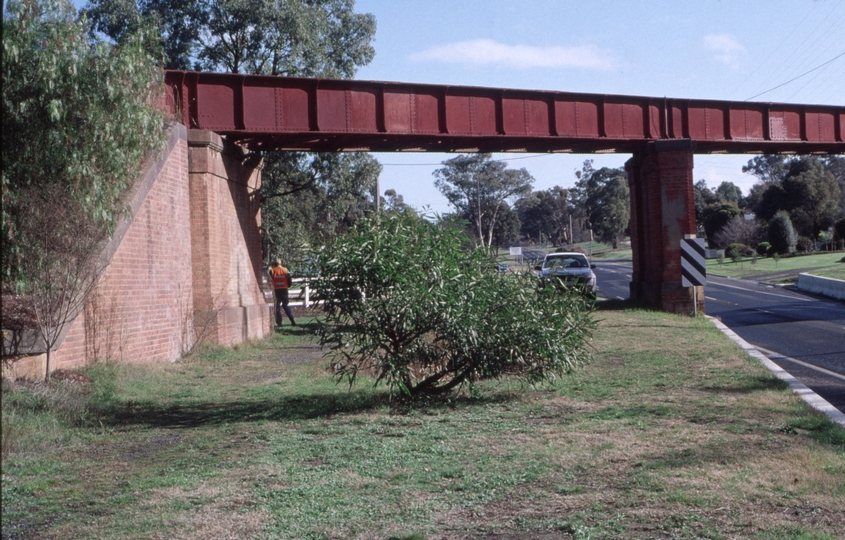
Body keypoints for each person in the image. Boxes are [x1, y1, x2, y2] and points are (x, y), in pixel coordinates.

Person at [269, 259, 296, 327]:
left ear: (274, 264)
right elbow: (289, 280)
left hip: (276, 290)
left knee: (277, 307)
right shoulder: (285, 270)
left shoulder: (272, 270)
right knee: (285, 305)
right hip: (284, 290)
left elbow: (269, 280)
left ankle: (279, 323)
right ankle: (292, 319)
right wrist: (287, 286)